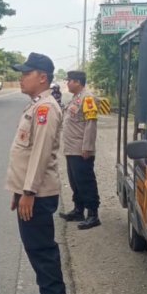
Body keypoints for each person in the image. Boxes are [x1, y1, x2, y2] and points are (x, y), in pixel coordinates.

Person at [5, 52, 67, 294]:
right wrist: (18, 191)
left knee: (42, 249)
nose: (21, 77)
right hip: (30, 192)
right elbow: (26, 154)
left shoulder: (45, 109)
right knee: (35, 247)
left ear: (42, 77)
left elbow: (40, 155)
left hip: (38, 193)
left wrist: (28, 191)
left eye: (26, 73)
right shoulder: (37, 105)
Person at [59, 70, 101, 230]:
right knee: (75, 182)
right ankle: (78, 210)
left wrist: (88, 147)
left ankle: (92, 214)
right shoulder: (76, 98)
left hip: (81, 149)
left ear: (77, 82)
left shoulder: (87, 98)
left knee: (85, 182)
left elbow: (91, 124)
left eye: (69, 80)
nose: (67, 83)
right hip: (71, 149)